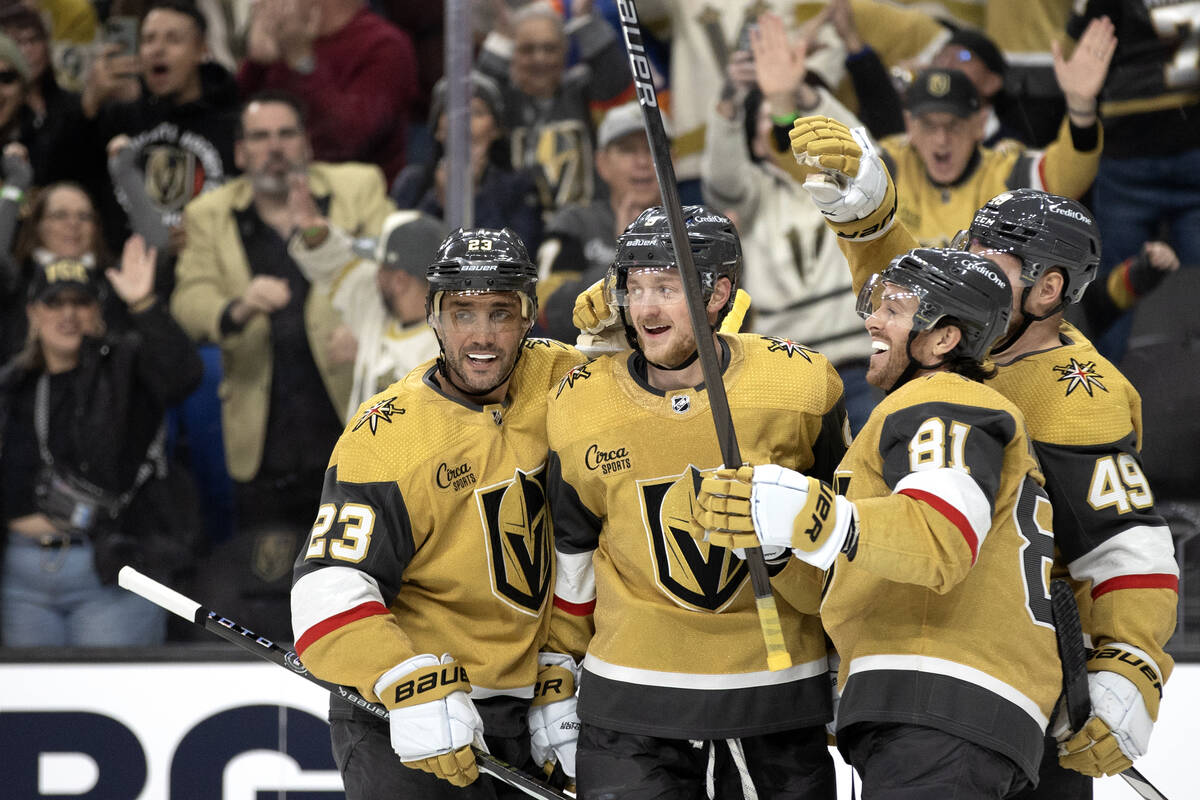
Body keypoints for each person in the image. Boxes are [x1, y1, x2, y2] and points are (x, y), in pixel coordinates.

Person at [788, 115, 1179, 796]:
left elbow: (1126, 547)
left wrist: (1128, 664)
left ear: (1049, 289)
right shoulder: (966, 344)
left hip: (1025, 679)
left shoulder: (1076, 395)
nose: (966, 266)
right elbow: (923, 296)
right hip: (923, 652)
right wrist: (868, 218)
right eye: (967, 246)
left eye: (988, 259)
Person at [694, 247, 1063, 798]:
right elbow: (850, 575)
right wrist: (776, 547)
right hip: (946, 710)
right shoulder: (921, 415)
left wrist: (813, 517)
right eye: (875, 302)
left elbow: (941, 538)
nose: (871, 318)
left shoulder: (943, 399)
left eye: (894, 305)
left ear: (943, 339)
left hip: (941, 701)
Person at [545, 205, 847, 798]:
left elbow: (846, 536)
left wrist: (849, 651)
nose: (648, 308)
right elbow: (572, 551)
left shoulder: (801, 384)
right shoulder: (580, 402)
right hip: (630, 706)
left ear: (720, 293)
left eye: (668, 286)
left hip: (777, 702)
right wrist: (558, 671)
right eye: (635, 288)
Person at [290, 226, 585, 797]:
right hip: (412, 715)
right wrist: (401, 678)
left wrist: (616, 328)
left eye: (501, 312)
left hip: (527, 710)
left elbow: (658, 392)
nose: (482, 336)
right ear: (432, 316)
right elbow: (328, 585)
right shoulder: (387, 437)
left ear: (529, 316)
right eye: (462, 312)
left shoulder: (558, 378)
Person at [171, 91, 392, 641]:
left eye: (286, 135)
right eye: (261, 138)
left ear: (307, 144)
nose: (275, 149)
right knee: (266, 582)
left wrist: (367, 328)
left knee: (359, 576)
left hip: (348, 424)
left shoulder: (356, 187)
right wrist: (238, 306)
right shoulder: (209, 214)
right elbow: (189, 299)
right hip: (263, 436)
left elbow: (392, 264)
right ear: (240, 153)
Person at [0, 235, 202, 646]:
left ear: (98, 312)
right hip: (21, 574)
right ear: (33, 313)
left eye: (81, 302)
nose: (68, 314)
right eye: (55, 303)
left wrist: (144, 305)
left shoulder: (127, 369)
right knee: (29, 708)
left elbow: (183, 375)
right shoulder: (13, 385)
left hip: (111, 570)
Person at [701, 11, 877, 431]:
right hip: (790, 371)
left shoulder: (837, 181)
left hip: (862, 362)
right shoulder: (756, 192)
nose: (775, 120)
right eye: (765, 114)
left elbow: (862, 157)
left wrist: (796, 89)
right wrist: (731, 94)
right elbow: (721, 178)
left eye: (784, 112)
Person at [1067, 0, 1200, 362]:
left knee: (1116, 290)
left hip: (1128, 150)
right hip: (1187, 143)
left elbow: (1082, 44)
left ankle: (1112, 395)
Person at [84, 0, 240, 293]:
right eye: (148, 39)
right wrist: (88, 106)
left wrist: (206, 231)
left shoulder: (230, 122)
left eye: (173, 39)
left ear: (202, 49)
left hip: (208, 275)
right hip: (123, 276)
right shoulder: (117, 117)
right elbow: (67, 178)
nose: (157, 49)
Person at [288, 207, 448, 419]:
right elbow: (334, 266)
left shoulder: (446, 353)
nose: (374, 273)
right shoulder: (376, 311)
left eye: (380, 266)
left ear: (400, 280)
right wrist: (313, 232)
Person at [239, 0, 419, 184]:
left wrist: (302, 62)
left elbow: (347, 141)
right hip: (268, 193)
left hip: (356, 199)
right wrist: (256, 65)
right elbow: (234, 133)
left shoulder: (385, 45)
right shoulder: (283, 43)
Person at [477, 0, 630, 214]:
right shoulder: (504, 101)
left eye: (550, 48)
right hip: (515, 228)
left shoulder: (580, 90)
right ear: (513, 54)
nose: (539, 58)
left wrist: (584, 19)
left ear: (565, 51)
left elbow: (615, 80)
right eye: (528, 49)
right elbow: (477, 97)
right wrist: (502, 36)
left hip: (582, 230)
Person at [535, 100, 662, 343]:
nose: (643, 162)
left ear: (672, 161)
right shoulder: (574, 223)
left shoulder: (691, 228)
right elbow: (549, 313)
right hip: (589, 365)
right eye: (627, 150)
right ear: (602, 163)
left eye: (654, 150)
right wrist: (621, 258)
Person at [391, 70, 543, 255]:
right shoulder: (412, 182)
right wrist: (438, 199)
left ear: (496, 130)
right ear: (438, 130)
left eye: (477, 113)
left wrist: (474, 194)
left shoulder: (520, 187)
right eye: (453, 112)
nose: (464, 122)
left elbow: (517, 256)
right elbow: (401, 253)